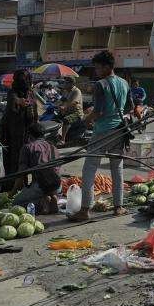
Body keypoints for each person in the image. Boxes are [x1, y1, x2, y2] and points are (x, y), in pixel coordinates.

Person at [69, 50, 129, 221]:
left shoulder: (101, 85)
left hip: (102, 132)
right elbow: (129, 106)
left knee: (89, 169)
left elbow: (99, 111)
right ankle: (118, 207)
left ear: (106, 67)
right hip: (119, 131)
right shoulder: (124, 83)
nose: (96, 71)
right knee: (117, 170)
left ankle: (85, 210)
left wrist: (85, 121)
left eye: (97, 67)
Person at [0, 69, 39, 192]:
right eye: (21, 80)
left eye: (25, 79)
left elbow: (35, 112)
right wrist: (19, 102)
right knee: (14, 161)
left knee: (27, 160)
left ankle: (25, 186)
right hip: (13, 135)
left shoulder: (31, 93)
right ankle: (13, 187)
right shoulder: (13, 93)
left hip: (28, 133)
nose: (24, 82)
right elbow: (12, 105)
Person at [12, 122, 61, 214]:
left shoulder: (28, 147)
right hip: (57, 185)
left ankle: (42, 202)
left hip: (41, 186)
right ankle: (51, 196)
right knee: (44, 185)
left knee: (16, 204)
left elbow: (21, 174)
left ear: (29, 135)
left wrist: (12, 192)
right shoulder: (53, 147)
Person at [57, 76, 83, 143]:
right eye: (64, 82)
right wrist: (54, 104)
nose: (64, 84)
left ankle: (63, 139)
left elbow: (75, 102)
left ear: (72, 84)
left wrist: (64, 107)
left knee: (66, 120)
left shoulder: (77, 91)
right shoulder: (66, 91)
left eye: (66, 83)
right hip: (67, 112)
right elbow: (61, 100)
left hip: (76, 113)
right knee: (55, 118)